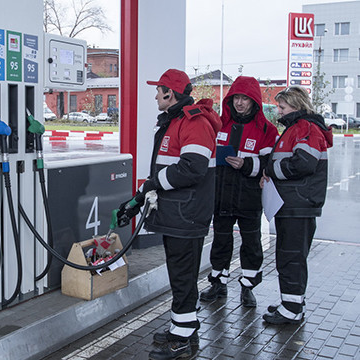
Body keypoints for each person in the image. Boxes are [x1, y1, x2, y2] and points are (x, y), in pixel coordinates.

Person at [117, 69, 221, 359]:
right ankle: (183, 325)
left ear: (169, 93)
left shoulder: (194, 123)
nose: (155, 96)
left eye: (158, 90)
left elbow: (192, 168)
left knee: (183, 274)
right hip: (178, 211)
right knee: (179, 273)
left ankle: (183, 339)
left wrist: (152, 183)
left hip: (186, 213)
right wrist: (140, 198)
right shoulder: (175, 121)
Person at [200, 76, 278, 307]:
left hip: (249, 198)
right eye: (236, 98)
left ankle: (248, 286)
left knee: (251, 243)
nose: (240, 103)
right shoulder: (219, 124)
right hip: (222, 196)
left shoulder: (267, 129)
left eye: (245, 98)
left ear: (254, 101)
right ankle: (218, 283)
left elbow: (269, 164)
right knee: (221, 241)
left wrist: (246, 165)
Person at [260, 86, 332, 324]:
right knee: (289, 256)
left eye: (282, 107)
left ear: (296, 106)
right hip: (293, 204)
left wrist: (272, 171)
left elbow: (304, 164)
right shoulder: (299, 128)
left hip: (297, 205)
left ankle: (291, 310)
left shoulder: (305, 128)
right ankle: (292, 302)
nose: (278, 111)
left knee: (291, 257)